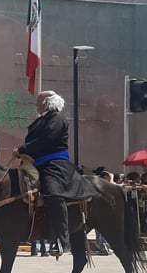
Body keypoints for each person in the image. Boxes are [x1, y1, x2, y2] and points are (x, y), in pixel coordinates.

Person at [13, 90, 95, 258]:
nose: (36, 104)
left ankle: (62, 241)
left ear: (47, 102)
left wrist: (22, 149)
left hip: (54, 164)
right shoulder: (42, 120)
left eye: (38, 101)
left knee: (52, 193)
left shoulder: (56, 118)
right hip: (36, 162)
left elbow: (46, 140)